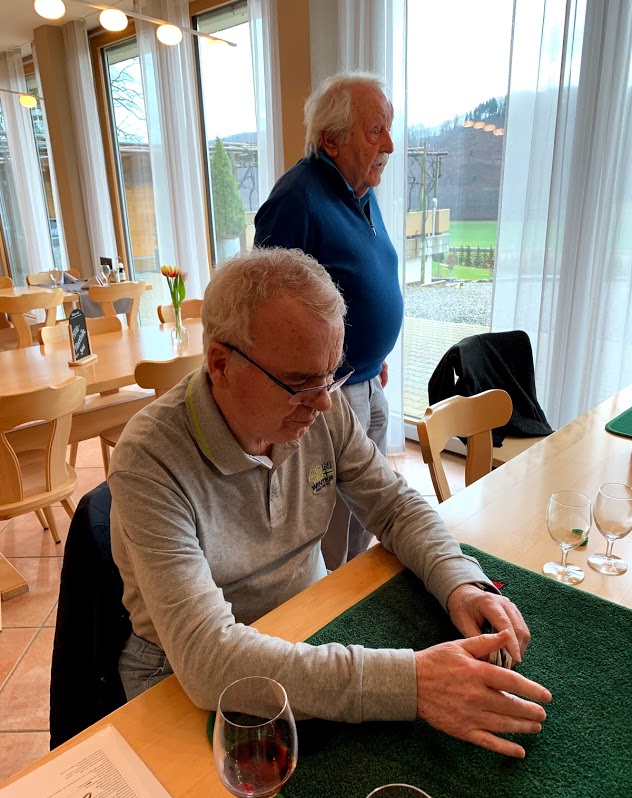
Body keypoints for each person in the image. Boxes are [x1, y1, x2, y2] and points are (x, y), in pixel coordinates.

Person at [109, 248, 551, 759]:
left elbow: (393, 506)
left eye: (331, 375)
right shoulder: (147, 458)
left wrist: (459, 582)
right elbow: (208, 661)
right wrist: (415, 683)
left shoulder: (320, 401)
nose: (323, 402)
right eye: (299, 383)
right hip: (179, 677)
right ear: (221, 364)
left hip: (309, 622)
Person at [254, 71, 400, 570]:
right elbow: (267, 312)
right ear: (331, 140)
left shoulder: (361, 191)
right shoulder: (296, 200)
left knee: (367, 509)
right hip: (326, 393)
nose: (389, 145)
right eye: (375, 131)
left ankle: (354, 588)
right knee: (332, 522)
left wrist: (373, 354)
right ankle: (328, 602)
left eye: (389, 129)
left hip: (366, 378)